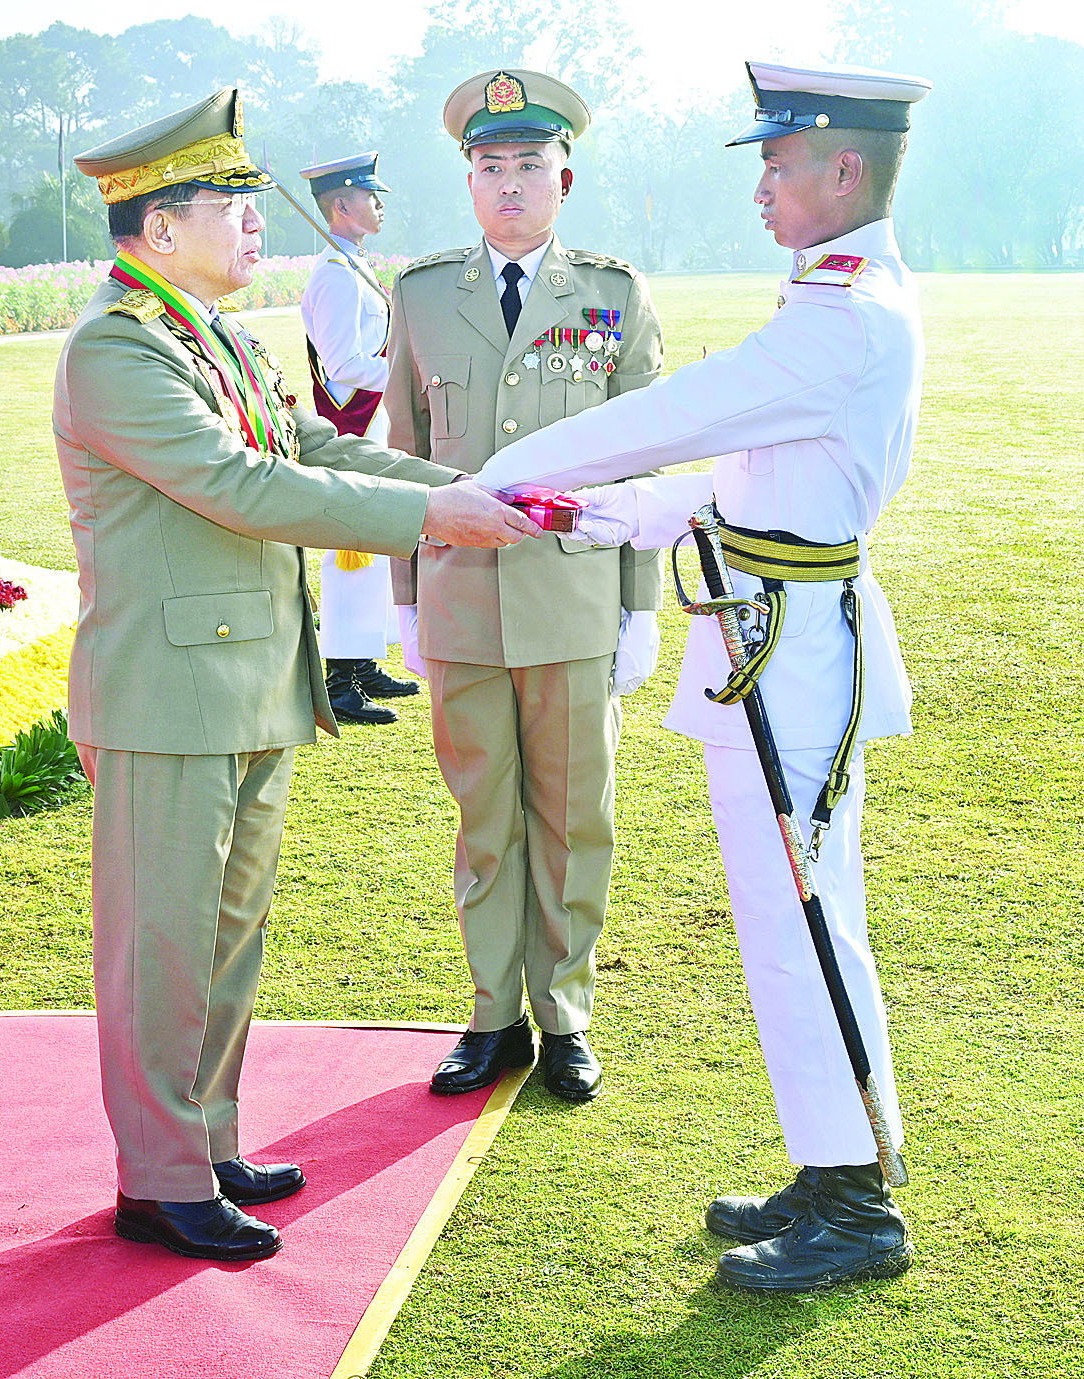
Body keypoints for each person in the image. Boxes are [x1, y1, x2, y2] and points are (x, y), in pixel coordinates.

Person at [55, 86, 541, 1264]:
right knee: (162, 947)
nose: (255, 219)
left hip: (249, 681)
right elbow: (242, 486)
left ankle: (207, 1141)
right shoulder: (117, 349)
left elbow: (310, 445)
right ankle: (159, 1178)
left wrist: (464, 480)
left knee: (227, 935)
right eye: (230, 203)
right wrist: (432, 515)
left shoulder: (214, 333)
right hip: (166, 696)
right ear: (158, 227)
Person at [477, 59, 932, 1291]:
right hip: (773, 635)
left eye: (778, 166)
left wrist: (504, 470)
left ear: (845, 169)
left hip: (795, 656)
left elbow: (676, 415)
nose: (762, 191)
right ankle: (835, 1164)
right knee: (792, 922)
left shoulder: (845, 314)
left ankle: (858, 1207)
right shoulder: (837, 298)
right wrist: (592, 513)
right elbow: (739, 483)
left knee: (804, 923)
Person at [384, 69, 665, 1104]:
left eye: (528, 165)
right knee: (484, 819)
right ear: (469, 181)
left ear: (564, 178)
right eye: (490, 165)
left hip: (574, 601)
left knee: (574, 818)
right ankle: (493, 1014)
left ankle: (567, 1015)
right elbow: (402, 451)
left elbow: (642, 461)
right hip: (461, 599)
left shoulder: (612, 295)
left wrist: (639, 605)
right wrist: (404, 599)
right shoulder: (421, 295)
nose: (509, 183)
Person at [299, 151, 417, 725]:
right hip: (353, 425)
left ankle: (363, 663)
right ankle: (339, 682)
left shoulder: (354, 267)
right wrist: (407, 369)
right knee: (351, 555)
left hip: (374, 422)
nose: (380, 205)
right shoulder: (335, 276)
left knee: (373, 550)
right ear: (342, 205)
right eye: (371, 197)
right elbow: (343, 364)